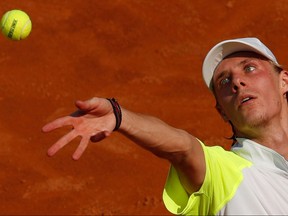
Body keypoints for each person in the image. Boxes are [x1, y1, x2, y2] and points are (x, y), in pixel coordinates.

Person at [42, 37, 288, 215]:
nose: (237, 82)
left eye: (250, 68)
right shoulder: (225, 173)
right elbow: (182, 148)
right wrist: (120, 117)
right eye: (224, 81)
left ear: (283, 81)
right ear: (222, 112)